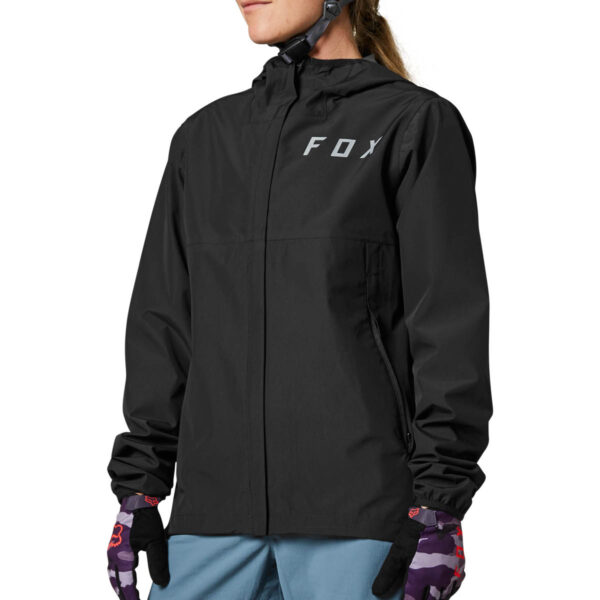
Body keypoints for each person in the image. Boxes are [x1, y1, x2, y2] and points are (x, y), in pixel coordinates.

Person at [106, 1, 493, 599]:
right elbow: (164, 324)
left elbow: (447, 327)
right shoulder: (204, 139)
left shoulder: (410, 124)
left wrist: (441, 503)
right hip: (210, 519)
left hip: (359, 522)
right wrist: (140, 488)